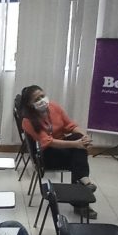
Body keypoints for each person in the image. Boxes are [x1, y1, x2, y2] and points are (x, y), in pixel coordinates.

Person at [20, 85, 97, 219]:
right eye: (37, 99)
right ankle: (83, 194)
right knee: (77, 151)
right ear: (29, 104)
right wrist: (76, 144)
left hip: (64, 149)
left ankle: (83, 188)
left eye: (42, 96)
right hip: (47, 155)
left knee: (77, 147)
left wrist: (84, 137)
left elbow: (71, 126)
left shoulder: (54, 107)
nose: (42, 100)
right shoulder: (28, 121)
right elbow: (48, 142)